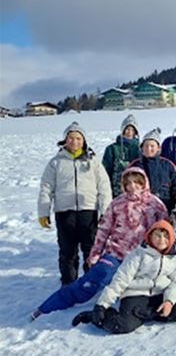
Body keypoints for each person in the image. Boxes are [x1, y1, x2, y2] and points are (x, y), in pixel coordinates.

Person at [33, 167, 168, 319]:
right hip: (116, 254)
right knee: (94, 278)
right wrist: (95, 254)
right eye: (128, 183)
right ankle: (48, 307)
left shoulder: (155, 204)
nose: (132, 187)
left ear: (144, 183)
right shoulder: (117, 204)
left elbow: (165, 232)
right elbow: (103, 231)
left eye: (137, 182)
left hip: (142, 257)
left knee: (141, 289)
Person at [71, 220, 176, 334]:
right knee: (123, 325)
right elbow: (121, 279)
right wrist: (102, 305)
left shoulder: (175, 257)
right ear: (150, 236)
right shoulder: (138, 254)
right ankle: (92, 315)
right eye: (157, 235)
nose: (161, 240)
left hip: (160, 294)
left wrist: (169, 301)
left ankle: (144, 314)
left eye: (166, 236)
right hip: (136, 293)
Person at [38, 121, 112, 285]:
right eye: (70, 138)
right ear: (65, 140)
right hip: (65, 212)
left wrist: (105, 212)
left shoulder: (93, 161)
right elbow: (46, 187)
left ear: (84, 141)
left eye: (78, 138)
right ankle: (68, 282)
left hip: (88, 211)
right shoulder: (56, 162)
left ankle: (91, 280)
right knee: (67, 250)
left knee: (91, 249)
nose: (74, 141)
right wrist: (43, 212)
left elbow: (104, 188)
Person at [130, 128, 176, 213]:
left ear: (158, 148)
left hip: (165, 207)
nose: (148, 149)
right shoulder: (135, 165)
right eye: (146, 146)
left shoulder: (168, 165)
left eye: (152, 146)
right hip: (140, 209)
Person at [102, 114, 140, 197]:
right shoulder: (112, 148)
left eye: (132, 130)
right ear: (122, 130)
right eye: (127, 129)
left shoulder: (140, 149)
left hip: (137, 191)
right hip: (117, 190)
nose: (129, 132)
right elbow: (106, 170)